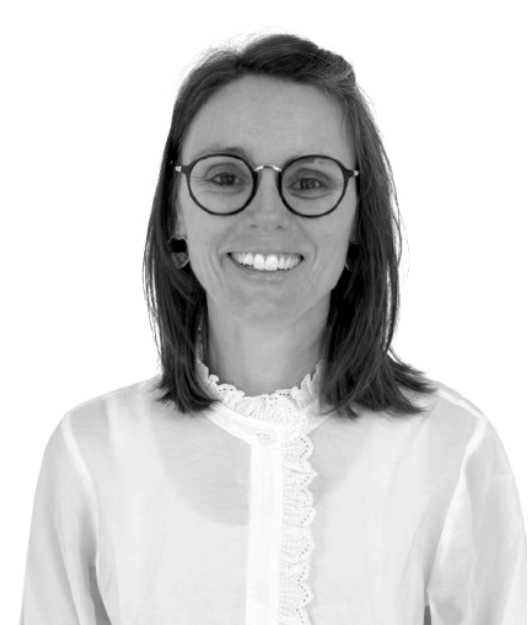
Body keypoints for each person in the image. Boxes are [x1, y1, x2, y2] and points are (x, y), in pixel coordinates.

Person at [19, 24, 526, 624]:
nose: (267, 214)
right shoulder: (91, 452)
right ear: (175, 212)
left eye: (309, 181)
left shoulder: (450, 449)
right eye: (225, 177)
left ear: (359, 217)